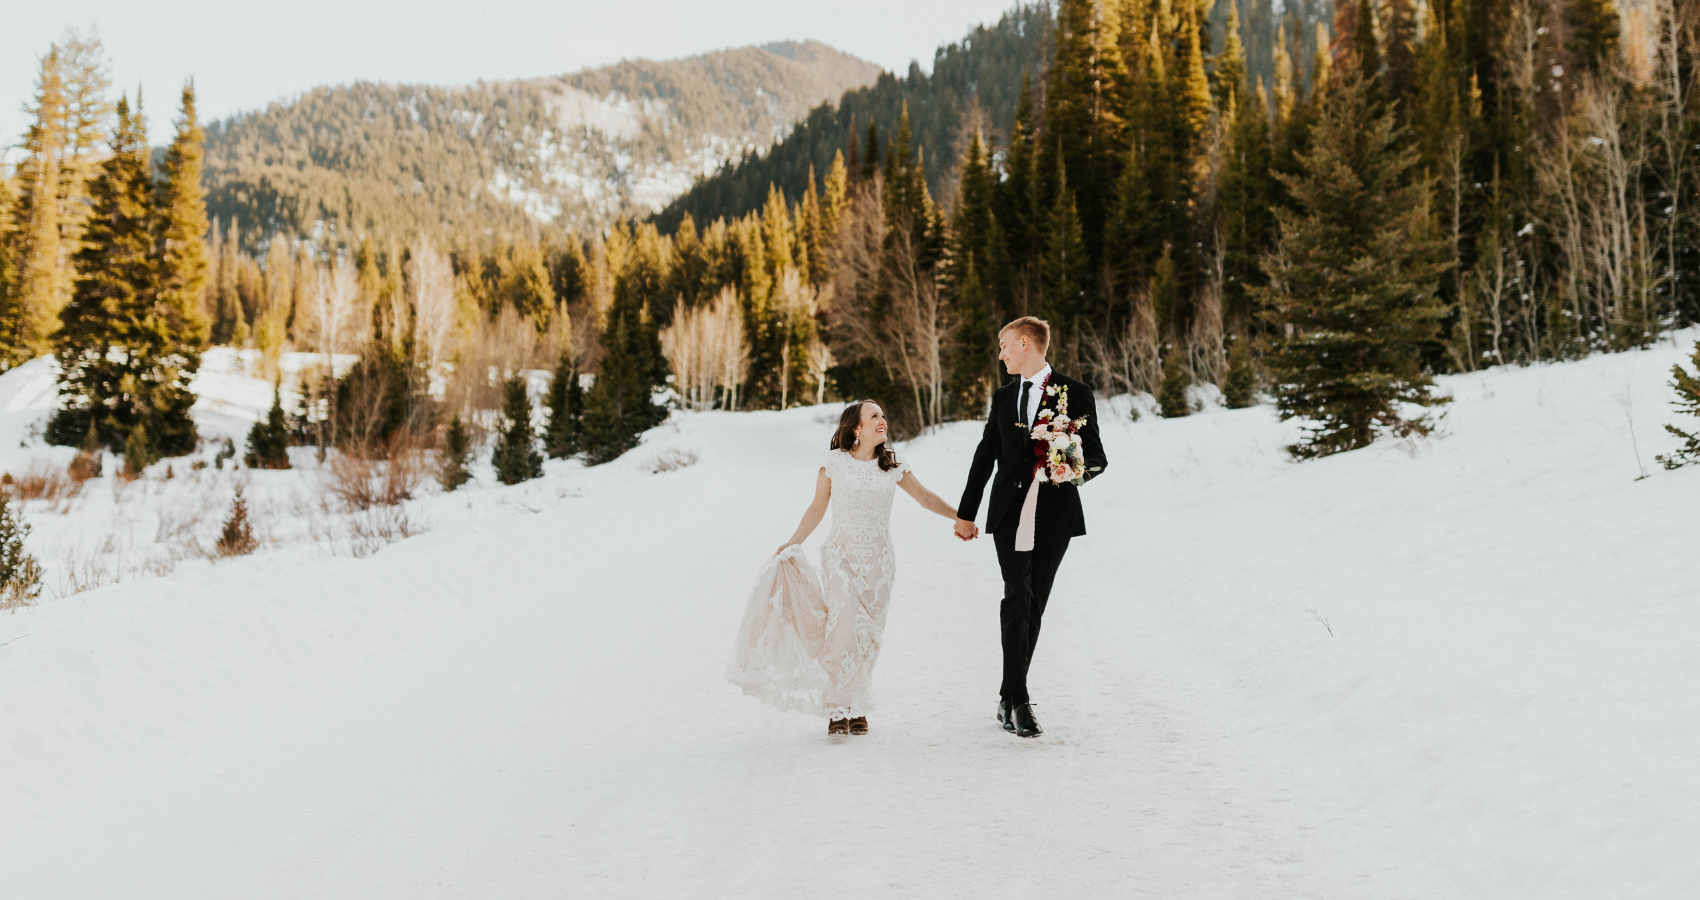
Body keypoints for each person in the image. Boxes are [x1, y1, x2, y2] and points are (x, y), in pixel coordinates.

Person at [727, 400, 964, 735]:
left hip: (879, 564)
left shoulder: (893, 463)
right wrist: (793, 541)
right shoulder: (833, 464)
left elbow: (925, 497)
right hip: (840, 556)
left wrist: (960, 517)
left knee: (866, 636)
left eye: (883, 414)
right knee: (844, 627)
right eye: (874, 416)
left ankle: (857, 704)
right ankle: (838, 707)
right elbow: (816, 508)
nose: (883, 420)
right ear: (856, 428)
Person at [955, 316, 1108, 738]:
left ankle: (1008, 695)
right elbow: (985, 455)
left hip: (1055, 516)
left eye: (1004, 345)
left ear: (1025, 343)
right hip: (1009, 514)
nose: (1001, 354)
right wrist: (966, 513)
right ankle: (1019, 701)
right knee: (1017, 594)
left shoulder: (1075, 393)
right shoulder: (1003, 397)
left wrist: (1064, 468)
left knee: (1034, 602)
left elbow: (1095, 457)